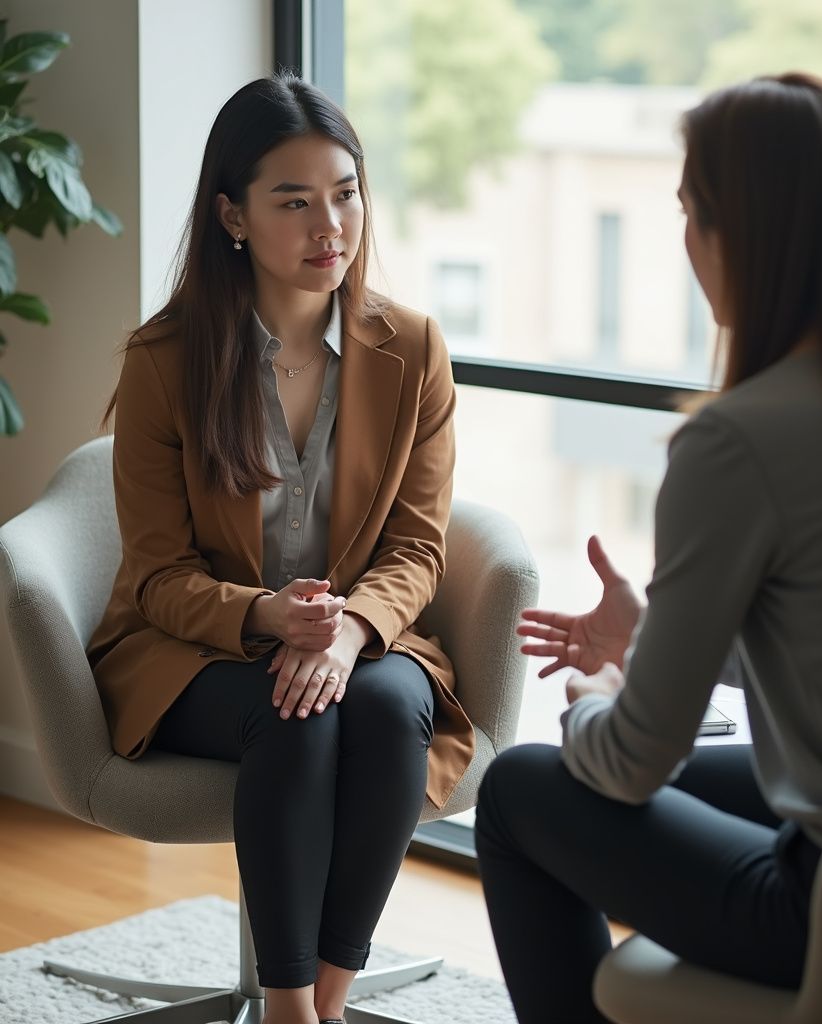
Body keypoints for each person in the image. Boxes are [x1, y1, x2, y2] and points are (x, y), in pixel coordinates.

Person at [474, 72, 822, 1023]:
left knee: (526, 785)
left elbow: (633, 763)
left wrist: (596, 702)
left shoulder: (737, 440)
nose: (685, 245)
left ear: (746, 233)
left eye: (692, 213)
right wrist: (652, 645)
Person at [87, 74, 473, 1024]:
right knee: (292, 711)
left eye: (344, 193)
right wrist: (267, 618)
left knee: (382, 708)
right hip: (196, 654)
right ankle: (291, 1012)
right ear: (232, 216)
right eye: (293, 201)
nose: (327, 226)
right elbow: (157, 576)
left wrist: (345, 636)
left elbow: (419, 549)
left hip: (365, 640)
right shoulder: (163, 361)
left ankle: (325, 1004)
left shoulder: (412, 349)